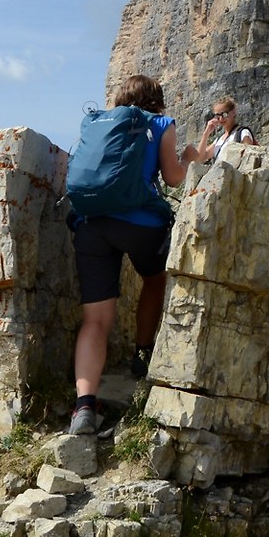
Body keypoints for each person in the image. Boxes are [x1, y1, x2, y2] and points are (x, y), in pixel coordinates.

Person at [70, 74, 192, 437]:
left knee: (95, 320)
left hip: (91, 224)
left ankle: (84, 408)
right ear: (157, 100)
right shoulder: (160, 124)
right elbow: (172, 179)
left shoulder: (99, 125)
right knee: (155, 279)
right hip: (141, 223)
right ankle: (142, 354)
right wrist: (188, 158)